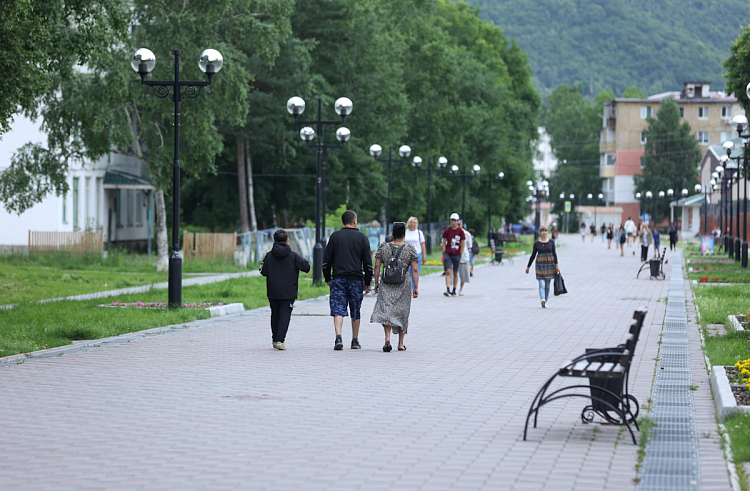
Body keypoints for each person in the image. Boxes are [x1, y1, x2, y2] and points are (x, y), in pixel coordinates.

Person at [323, 210, 373, 351]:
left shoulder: (335, 237)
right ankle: (355, 340)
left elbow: (327, 260)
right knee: (355, 309)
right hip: (356, 279)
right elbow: (367, 263)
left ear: (343, 222)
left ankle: (338, 337)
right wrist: (368, 281)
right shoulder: (362, 238)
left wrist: (327, 277)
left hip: (338, 278)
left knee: (338, 308)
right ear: (355, 221)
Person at [371, 222, 419, 352]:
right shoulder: (410, 249)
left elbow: (376, 266)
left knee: (387, 310)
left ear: (392, 234)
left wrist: (376, 282)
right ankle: (400, 343)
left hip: (386, 283)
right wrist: (416, 287)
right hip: (403, 284)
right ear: (404, 234)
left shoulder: (384, 247)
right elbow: (414, 269)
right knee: (402, 312)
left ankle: (387, 337)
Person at [260, 229, 311, 350]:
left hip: (273, 290)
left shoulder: (269, 255)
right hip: (289, 291)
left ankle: (274, 339)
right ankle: (279, 340)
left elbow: (264, 271)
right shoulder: (293, 256)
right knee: (285, 315)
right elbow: (307, 267)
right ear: (287, 240)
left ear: (274, 240)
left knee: (275, 314)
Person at [526, 226, 560, 308]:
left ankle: (545, 301)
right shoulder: (536, 244)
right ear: (540, 233)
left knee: (547, 285)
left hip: (549, 265)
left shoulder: (551, 242)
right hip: (540, 265)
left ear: (547, 232)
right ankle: (542, 299)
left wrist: (557, 265)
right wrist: (528, 266)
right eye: (542, 231)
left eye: (545, 231)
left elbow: (554, 254)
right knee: (541, 284)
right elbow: (533, 255)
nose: (544, 232)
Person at [441, 213, 465, 296]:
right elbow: (443, 242)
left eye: (455, 221)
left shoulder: (461, 231)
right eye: (452, 220)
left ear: (458, 221)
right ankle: (448, 289)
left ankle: (454, 289)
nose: (453, 222)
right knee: (448, 271)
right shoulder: (447, 231)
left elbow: (463, 243)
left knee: (455, 272)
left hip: (457, 254)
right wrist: (444, 251)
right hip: (448, 253)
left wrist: (461, 252)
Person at [404, 216, 426, 291]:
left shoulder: (419, 233)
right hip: (407, 254)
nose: (414, 224)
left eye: (416, 223)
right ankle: (408, 287)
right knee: (407, 271)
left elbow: (422, 245)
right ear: (410, 223)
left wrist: (424, 256)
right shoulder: (406, 232)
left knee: (415, 271)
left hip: (417, 254)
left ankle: (414, 287)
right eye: (413, 222)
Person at [458, 226, 472, 295]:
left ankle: (461, 289)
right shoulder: (450, 232)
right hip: (453, 255)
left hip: (463, 256)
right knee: (451, 273)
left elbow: (469, 246)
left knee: (463, 275)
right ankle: (451, 288)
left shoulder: (467, 234)